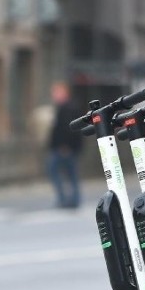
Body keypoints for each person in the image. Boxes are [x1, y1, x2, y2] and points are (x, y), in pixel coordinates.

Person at [46, 81, 83, 209]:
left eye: (56, 92)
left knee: (61, 172)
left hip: (64, 148)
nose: (54, 96)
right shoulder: (64, 107)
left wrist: (65, 146)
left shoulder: (68, 108)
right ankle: (71, 199)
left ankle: (67, 199)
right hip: (64, 147)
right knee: (69, 174)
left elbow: (69, 129)